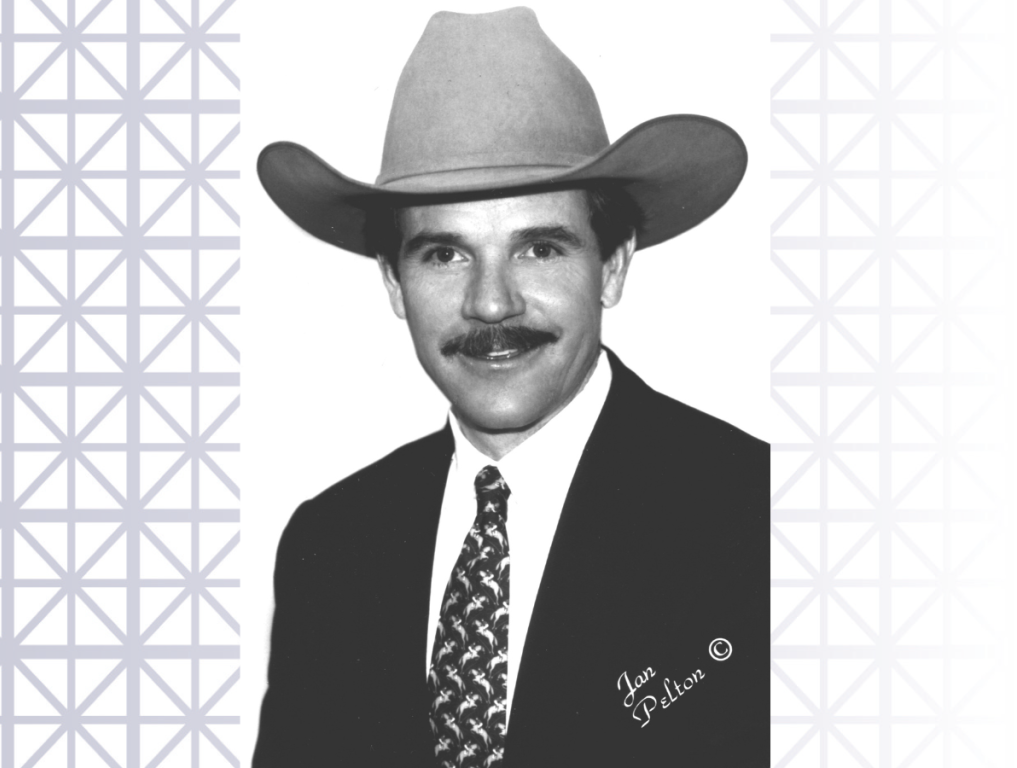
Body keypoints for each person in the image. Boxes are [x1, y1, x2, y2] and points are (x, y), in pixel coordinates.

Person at [252, 7, 767, 767]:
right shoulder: (329, 546)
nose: (492, 304)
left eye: (539, 246)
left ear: (614, 265)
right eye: (444, 256)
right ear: (395, 283)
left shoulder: (763, 521)